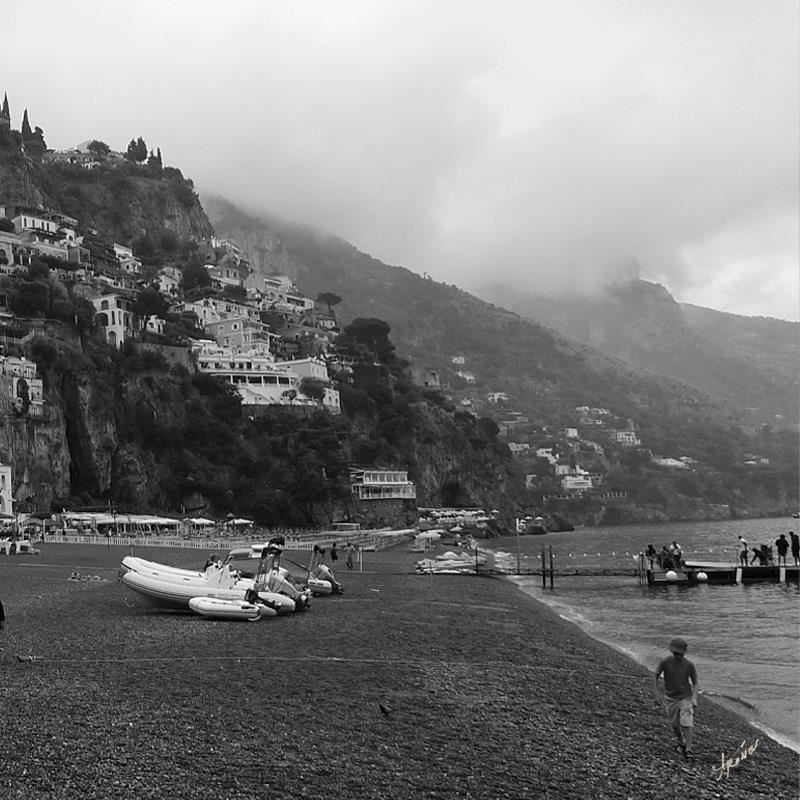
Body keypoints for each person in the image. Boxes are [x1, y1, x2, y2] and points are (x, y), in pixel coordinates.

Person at [653, 637, 699, 760]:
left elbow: (695, 682)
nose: (678, 656)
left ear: (684, 653)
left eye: (680, 654)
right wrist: (656, 692)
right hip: (670, 697)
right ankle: (681, 741)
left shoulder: (689, 665)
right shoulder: (665, 662)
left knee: (686, 722)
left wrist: (694, 697)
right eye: (675, 653)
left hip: (686, 697)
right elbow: (655, 675)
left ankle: (689, 749)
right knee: (674, 724)